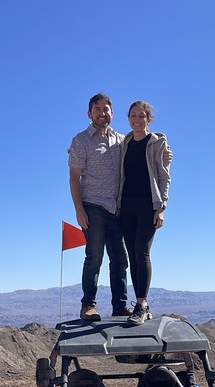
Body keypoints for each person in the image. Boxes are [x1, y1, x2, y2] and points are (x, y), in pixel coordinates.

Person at [68, 93, 130, 321]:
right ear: (89, 113)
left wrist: (164, 155)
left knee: (120, 260)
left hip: (117, 209)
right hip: (92, 206)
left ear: (112, 113)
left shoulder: (122, 140)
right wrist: (79, 209)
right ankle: (88, 305)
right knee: (94, 257)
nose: (102, 113)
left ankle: (120, 307)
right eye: (97, 109)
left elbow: (143, 150)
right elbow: (74, 177)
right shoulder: (81, 140)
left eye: (106, 109)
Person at [117, 101, 171, 326]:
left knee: (142, 251)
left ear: (149, 119)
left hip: (148, 205)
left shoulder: (157, 143)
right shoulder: (124, 143)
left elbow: (164, 176)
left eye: (141, 116)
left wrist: (161, 207)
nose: (137, 120)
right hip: (126, 205)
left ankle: (142, 304)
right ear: (128, 118)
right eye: (133, 115)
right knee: (132, 253)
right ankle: (142, 305)